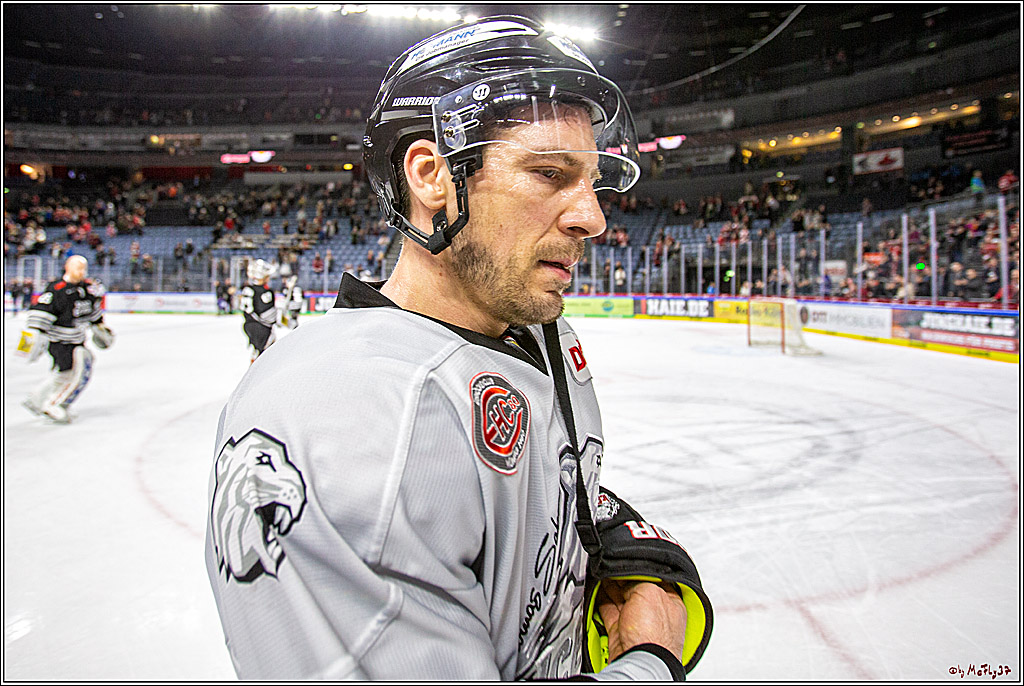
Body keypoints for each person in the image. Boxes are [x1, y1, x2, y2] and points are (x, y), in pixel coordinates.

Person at [205, 16, 707, 681]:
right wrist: (648, 663)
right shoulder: (352, 427)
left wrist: (607, 538)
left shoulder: (538, 334)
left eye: (589, 180)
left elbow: (536, 488)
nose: (594, 216)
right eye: (550, 173)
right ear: (433, 175)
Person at [17, 255, 113, 423]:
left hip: (77, 340)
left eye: (84, 268)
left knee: (62, 373)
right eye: (78, 267)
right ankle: (55, 404)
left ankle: (37, 399)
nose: (81, 272)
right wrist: (30, 342)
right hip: (60, 342)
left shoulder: (87, 290)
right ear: (68, 268)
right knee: (77, 370)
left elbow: (94, 314)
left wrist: (101, 328)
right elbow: (39, 316)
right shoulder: (57, 289)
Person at [238, 259, 278, 363]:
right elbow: (268, 312)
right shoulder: (265, 292)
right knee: (264, 356)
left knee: (259, 353)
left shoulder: (248, 289)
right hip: (261, 327)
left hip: (250, 325)